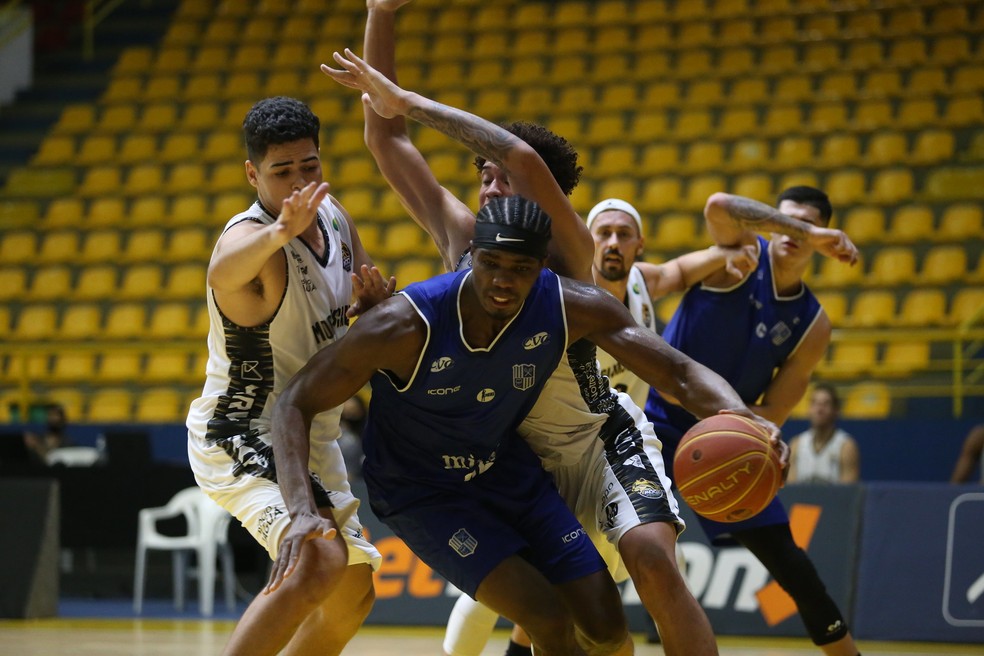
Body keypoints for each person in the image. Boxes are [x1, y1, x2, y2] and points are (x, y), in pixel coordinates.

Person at [322, 10, 768, 653]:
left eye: (501, 179)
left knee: (653, 560)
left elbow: (521, 156)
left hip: (594, 436)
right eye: (482, 177)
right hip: (514, 460)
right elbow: (388, 142)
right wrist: (381, 14)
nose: (489, 185)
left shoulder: (569, 254)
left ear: (548, 201)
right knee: (550, 621)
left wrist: (411, 101)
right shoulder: (460, 242)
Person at [271, 195, 778, 655]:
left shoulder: (567, 305)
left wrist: (746, 420)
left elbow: (679, 372)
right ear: (472, 257)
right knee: (547, 618)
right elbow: (295, 401)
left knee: (603, 622)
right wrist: (299, 508)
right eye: (490, 263)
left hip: (504, 469)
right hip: (424, 492)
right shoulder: (406, 324)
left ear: (542, 267)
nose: (502, 281)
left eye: (521, 268)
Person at [185, 96, 395, 656]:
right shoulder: (250, 241)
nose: (300, 183)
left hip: (309, 433)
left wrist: (373, 307)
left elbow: (353, 320)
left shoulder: (336, 219)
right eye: (282, 172)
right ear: (253, 174)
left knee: (353, 595)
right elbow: (221, 269)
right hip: (243, 429)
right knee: (315, 557)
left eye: (310, 166)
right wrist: (279, 230)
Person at [644, 187, 864, 656]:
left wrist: (756, 430)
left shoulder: (813, 323)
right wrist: (807, 230)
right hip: (658, 423)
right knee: (614, 543)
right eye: (783, 223)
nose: (790, 234)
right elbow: (718, 206)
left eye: (803, 224)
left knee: (792, 566)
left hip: (729, 437)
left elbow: (774, 412)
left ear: (821, 236)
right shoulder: (737, 256)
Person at [585, 197, 757, 409]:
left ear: (640, 245)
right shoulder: (575, 294)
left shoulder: (642, 281)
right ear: (587, 241)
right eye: (604, 233)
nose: (613, 243)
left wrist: (724, 254)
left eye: (623, 234)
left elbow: (680, 271)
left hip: (624, 431)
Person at [787, 384, 861, 484]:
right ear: (809, 409)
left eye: (825, 404)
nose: (819, 409)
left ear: (836, 410)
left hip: (834, 499)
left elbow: (848, 494)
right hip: (802, 499)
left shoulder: (846, 446)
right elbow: (791, 490)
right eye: (815, 403)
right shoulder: (796, 444)